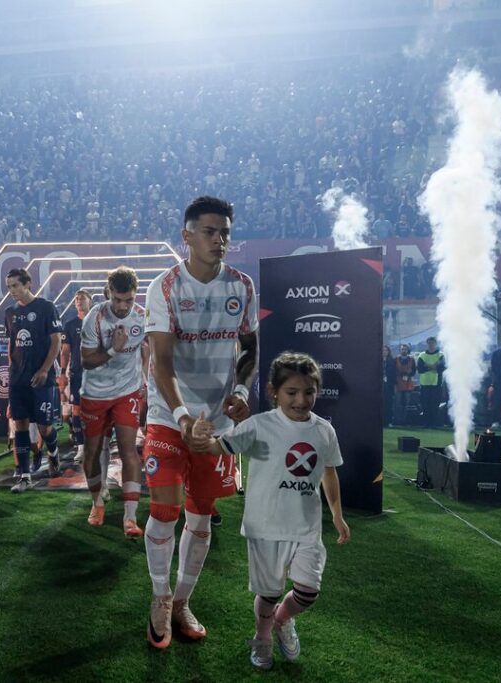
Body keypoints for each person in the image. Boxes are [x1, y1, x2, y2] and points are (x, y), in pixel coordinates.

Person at [142, 196, 258, 649]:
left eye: (225, 232)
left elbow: (249, 348)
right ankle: (159, 597)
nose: (220, 240)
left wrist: (241, 392)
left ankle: (183, 601)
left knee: (202, 515)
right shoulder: (166, 287)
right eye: (210, 231)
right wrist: (182, 415)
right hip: (170, 418)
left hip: (216, 426)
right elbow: (161, 362)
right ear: (187, 236)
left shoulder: (242, 286)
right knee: (165, 511)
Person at [192, 351, 350, 670]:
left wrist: (336, 513)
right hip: (264, 526)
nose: (301, 400)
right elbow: (217, 446)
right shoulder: (259, 426)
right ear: (274, 392)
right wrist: (200, 435)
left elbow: (329, 470)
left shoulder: (324, 431)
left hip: (306, 527)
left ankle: (282, 620)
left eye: (309, 392)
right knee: (269, 591)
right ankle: (262, 636)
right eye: (292, 392)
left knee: (308, 591)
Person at [80, 267, 149, 537]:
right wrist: (112, 349)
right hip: (95, 393)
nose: (122, 306)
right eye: (118, 300)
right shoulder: (95, 317)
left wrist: (144, 380)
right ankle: (97, 503)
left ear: (135, 296)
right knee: (91, 453)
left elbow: (148, 350)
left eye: (129, 300)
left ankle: (129, 519)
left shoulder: (143, 317)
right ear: (109, 293)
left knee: (129, 449)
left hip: (127, 391)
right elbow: (86, 361)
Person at [2, 267, 63, 493]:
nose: (12, 291)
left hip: (42, 379)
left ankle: (53, 453)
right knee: (21, 426)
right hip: (18, 380)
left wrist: (45, 370)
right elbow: (11, 344)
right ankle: (25, 476)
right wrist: (11, 371)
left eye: (15, 286)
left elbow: (56, 341)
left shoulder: (46, 308)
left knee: (45, 428)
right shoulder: (10, 312)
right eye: (9, 287)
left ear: (28, 284)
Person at [59, 289, 91, 464]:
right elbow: (65, 351)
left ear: (90, 302)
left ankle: (99, 444)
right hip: (77, 373)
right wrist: (62, 373)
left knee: (97, 409)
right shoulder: (70, 325)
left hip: (97, 374)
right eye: (77, 299)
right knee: (76, 410)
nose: (79, 301)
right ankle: (81, 447)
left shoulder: (97, 321)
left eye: (82, 298)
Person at [416, 337, 445, 428]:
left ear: (435, 343)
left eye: (432, 343)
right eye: (429, 343)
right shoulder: (422, 355)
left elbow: (442, 368)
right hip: (424, 383)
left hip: (436, 383)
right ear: (427, 344)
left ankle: (434, 423)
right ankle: (426, 423)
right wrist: (433, 366)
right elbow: (420, 369)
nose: (431, 345)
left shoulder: (441, 355)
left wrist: (427, 366)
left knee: (434, 404)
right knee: (425, 404)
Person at [393, 344, 416, 426]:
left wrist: (408, 374)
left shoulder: (412, 360)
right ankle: (397, 420)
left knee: (407, 403)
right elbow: (392, 371)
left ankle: (404, 420)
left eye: (405, 349)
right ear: (400, 350)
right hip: (398, 383)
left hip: (408, 383)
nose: (404, 350)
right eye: (402, 349)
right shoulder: (395, 359)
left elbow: (414, 371)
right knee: (398, 403)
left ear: (408, 350)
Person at [382, 345, 396, 427]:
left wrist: (390, 380)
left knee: (388, 403)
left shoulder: (392, 361)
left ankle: (389, 421)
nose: (384, 352)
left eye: (386, 350)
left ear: (388, 352)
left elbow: (394, 373)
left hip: (389, 385)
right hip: (380, 385)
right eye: (383, 350)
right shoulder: (377, 360)